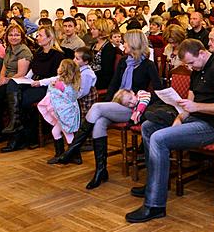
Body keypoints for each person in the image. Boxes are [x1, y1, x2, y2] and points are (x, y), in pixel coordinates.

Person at [125, 39, 214, 223]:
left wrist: (195, 107)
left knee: (159, 139)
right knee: (148, 126)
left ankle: (155, 204)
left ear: (202, 53)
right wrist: (179, 118)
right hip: (196, 119)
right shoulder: (197, 69)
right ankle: (155, 183)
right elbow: (189, 103)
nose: (190, 67)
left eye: (191, 63)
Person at [56, 30, 161, 190]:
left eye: (125, 42)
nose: (122, 44)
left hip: (133, 108)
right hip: (117, 104)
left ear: (133, 44)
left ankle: (73, 148)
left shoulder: (148, 65)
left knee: (97, 108)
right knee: (99, 121)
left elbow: (159, 92)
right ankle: (100, 171)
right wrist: (108, 104)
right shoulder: (124, 61)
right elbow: (113, 85)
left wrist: (139, 101)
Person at [1, 25, 66, 152]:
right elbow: (32, 71)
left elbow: (59, 78)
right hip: (34, 82)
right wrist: (25, 79)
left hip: (48, 86)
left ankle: (23, 136)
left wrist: (40, 82)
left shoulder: (58, 55)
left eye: (40, 35)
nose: (37, 38)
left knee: (22, 100)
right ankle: (17, 128)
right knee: (13, 84)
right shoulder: (39, 53)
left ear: (49, 38)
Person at [37, 58, 81, 160]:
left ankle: (74, 155)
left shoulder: (59, 83)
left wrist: (53, 86)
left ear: (63, 69)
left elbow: (58, 96)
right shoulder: (72, 82)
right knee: (56, 132)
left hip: (63, 113)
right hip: (67, 112)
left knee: (68, 134)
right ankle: (60, 154)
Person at [90, 18, 117, 89]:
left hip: (101, 80)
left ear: (101, 30)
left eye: (93, 29)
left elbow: (106, 71)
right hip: (92, 76)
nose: (91, 31)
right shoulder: (94, 45)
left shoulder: (108, 48)